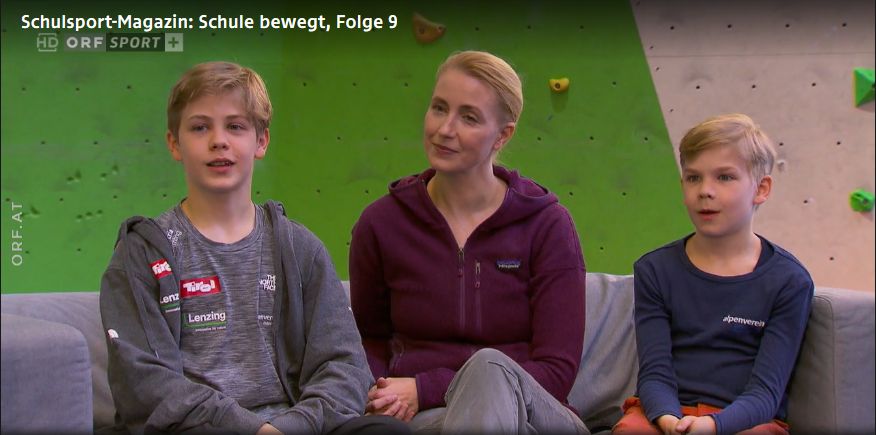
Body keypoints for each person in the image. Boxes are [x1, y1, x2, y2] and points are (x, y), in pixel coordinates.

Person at [99, 61, 408, 435]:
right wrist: (255, 430)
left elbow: (344, 366)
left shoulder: (300, 248)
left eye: (235, 126)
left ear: (261, 141)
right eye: (200, 127)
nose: (219, 140)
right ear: (174, 144)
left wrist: (292, 426)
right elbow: (144, 386)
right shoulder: (141, 254)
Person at [348, 50, 589, 434]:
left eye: (469, 117)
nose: (445, 129)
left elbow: (556, 370)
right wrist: (380, 392)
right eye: (439, 108)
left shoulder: (548, 226)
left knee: (488, 369)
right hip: (425, 418)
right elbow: (368, 340)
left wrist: (426, 387)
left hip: (536, 415)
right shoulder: (381, 223)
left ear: (503, 135)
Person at [613, 114, 814, 435]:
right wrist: (669, 420)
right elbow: (654, 374)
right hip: (667, 415)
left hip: (745, 420)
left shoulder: (789, 281)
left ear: (761, 188)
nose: (705, 191)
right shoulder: (654, 270)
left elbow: (766, 393)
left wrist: (712, 426)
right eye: (693, 178)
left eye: (724, 177)